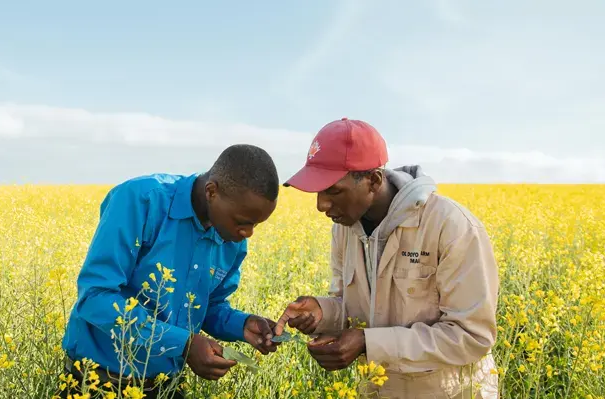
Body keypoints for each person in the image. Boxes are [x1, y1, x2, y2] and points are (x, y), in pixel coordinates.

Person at [274, 118, 500, 398]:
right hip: (378, 389)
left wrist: (368, 343)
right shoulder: (344, 229)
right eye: (318, 190)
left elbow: (471, 337)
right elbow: (353, 307)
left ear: (373, 181)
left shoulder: (452, 227)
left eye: (333, 190)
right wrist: (323, 313)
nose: (321, 204)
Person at [61, 144, 282, 399]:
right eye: (243, 221)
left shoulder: (232, 240)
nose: (248, 233)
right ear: (212, 191)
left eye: (255, 224)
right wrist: (185, 344)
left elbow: (208, 307)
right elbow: (95, 296)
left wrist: (242, 325)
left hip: (165, 386)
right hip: (96, 382)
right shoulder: (140, 200)